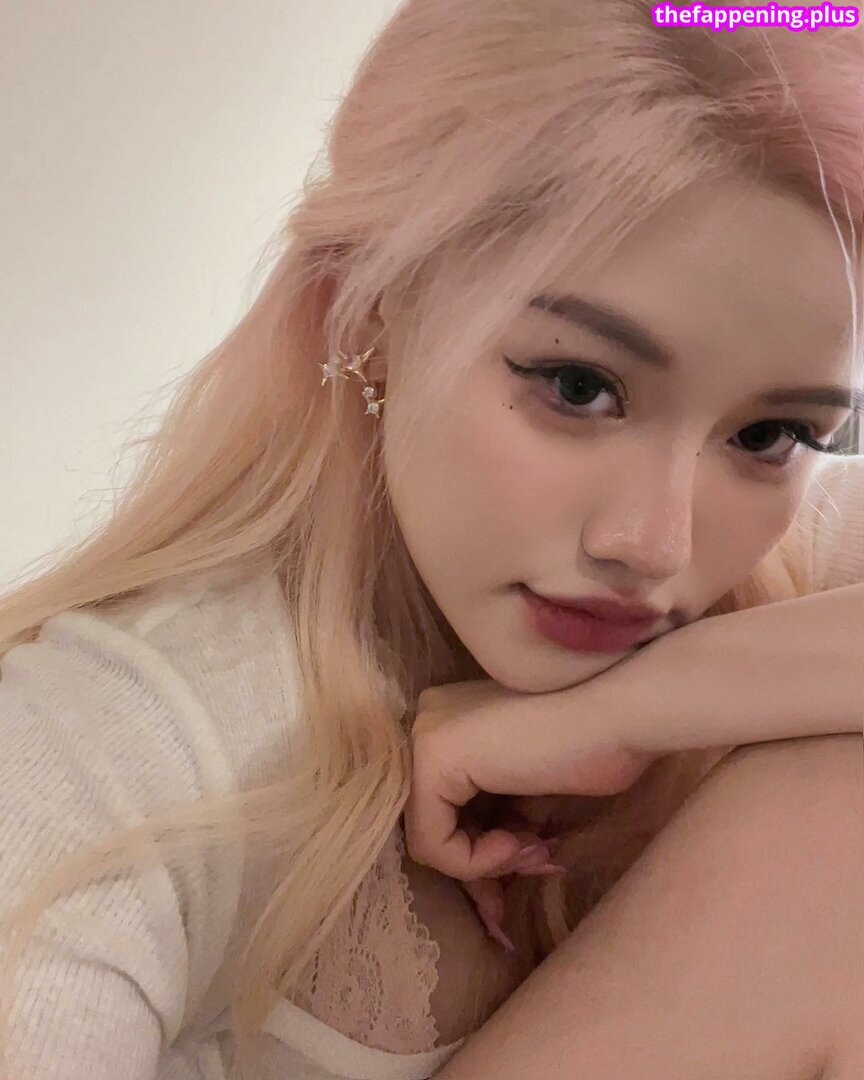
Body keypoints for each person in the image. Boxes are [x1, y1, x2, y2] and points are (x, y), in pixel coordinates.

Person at [1, 1, 862, 1078]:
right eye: (578, 386)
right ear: (367, 313)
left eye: (772, 433)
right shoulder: (106, 754)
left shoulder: (788, 555)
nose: (653, 543)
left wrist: (632, 708)